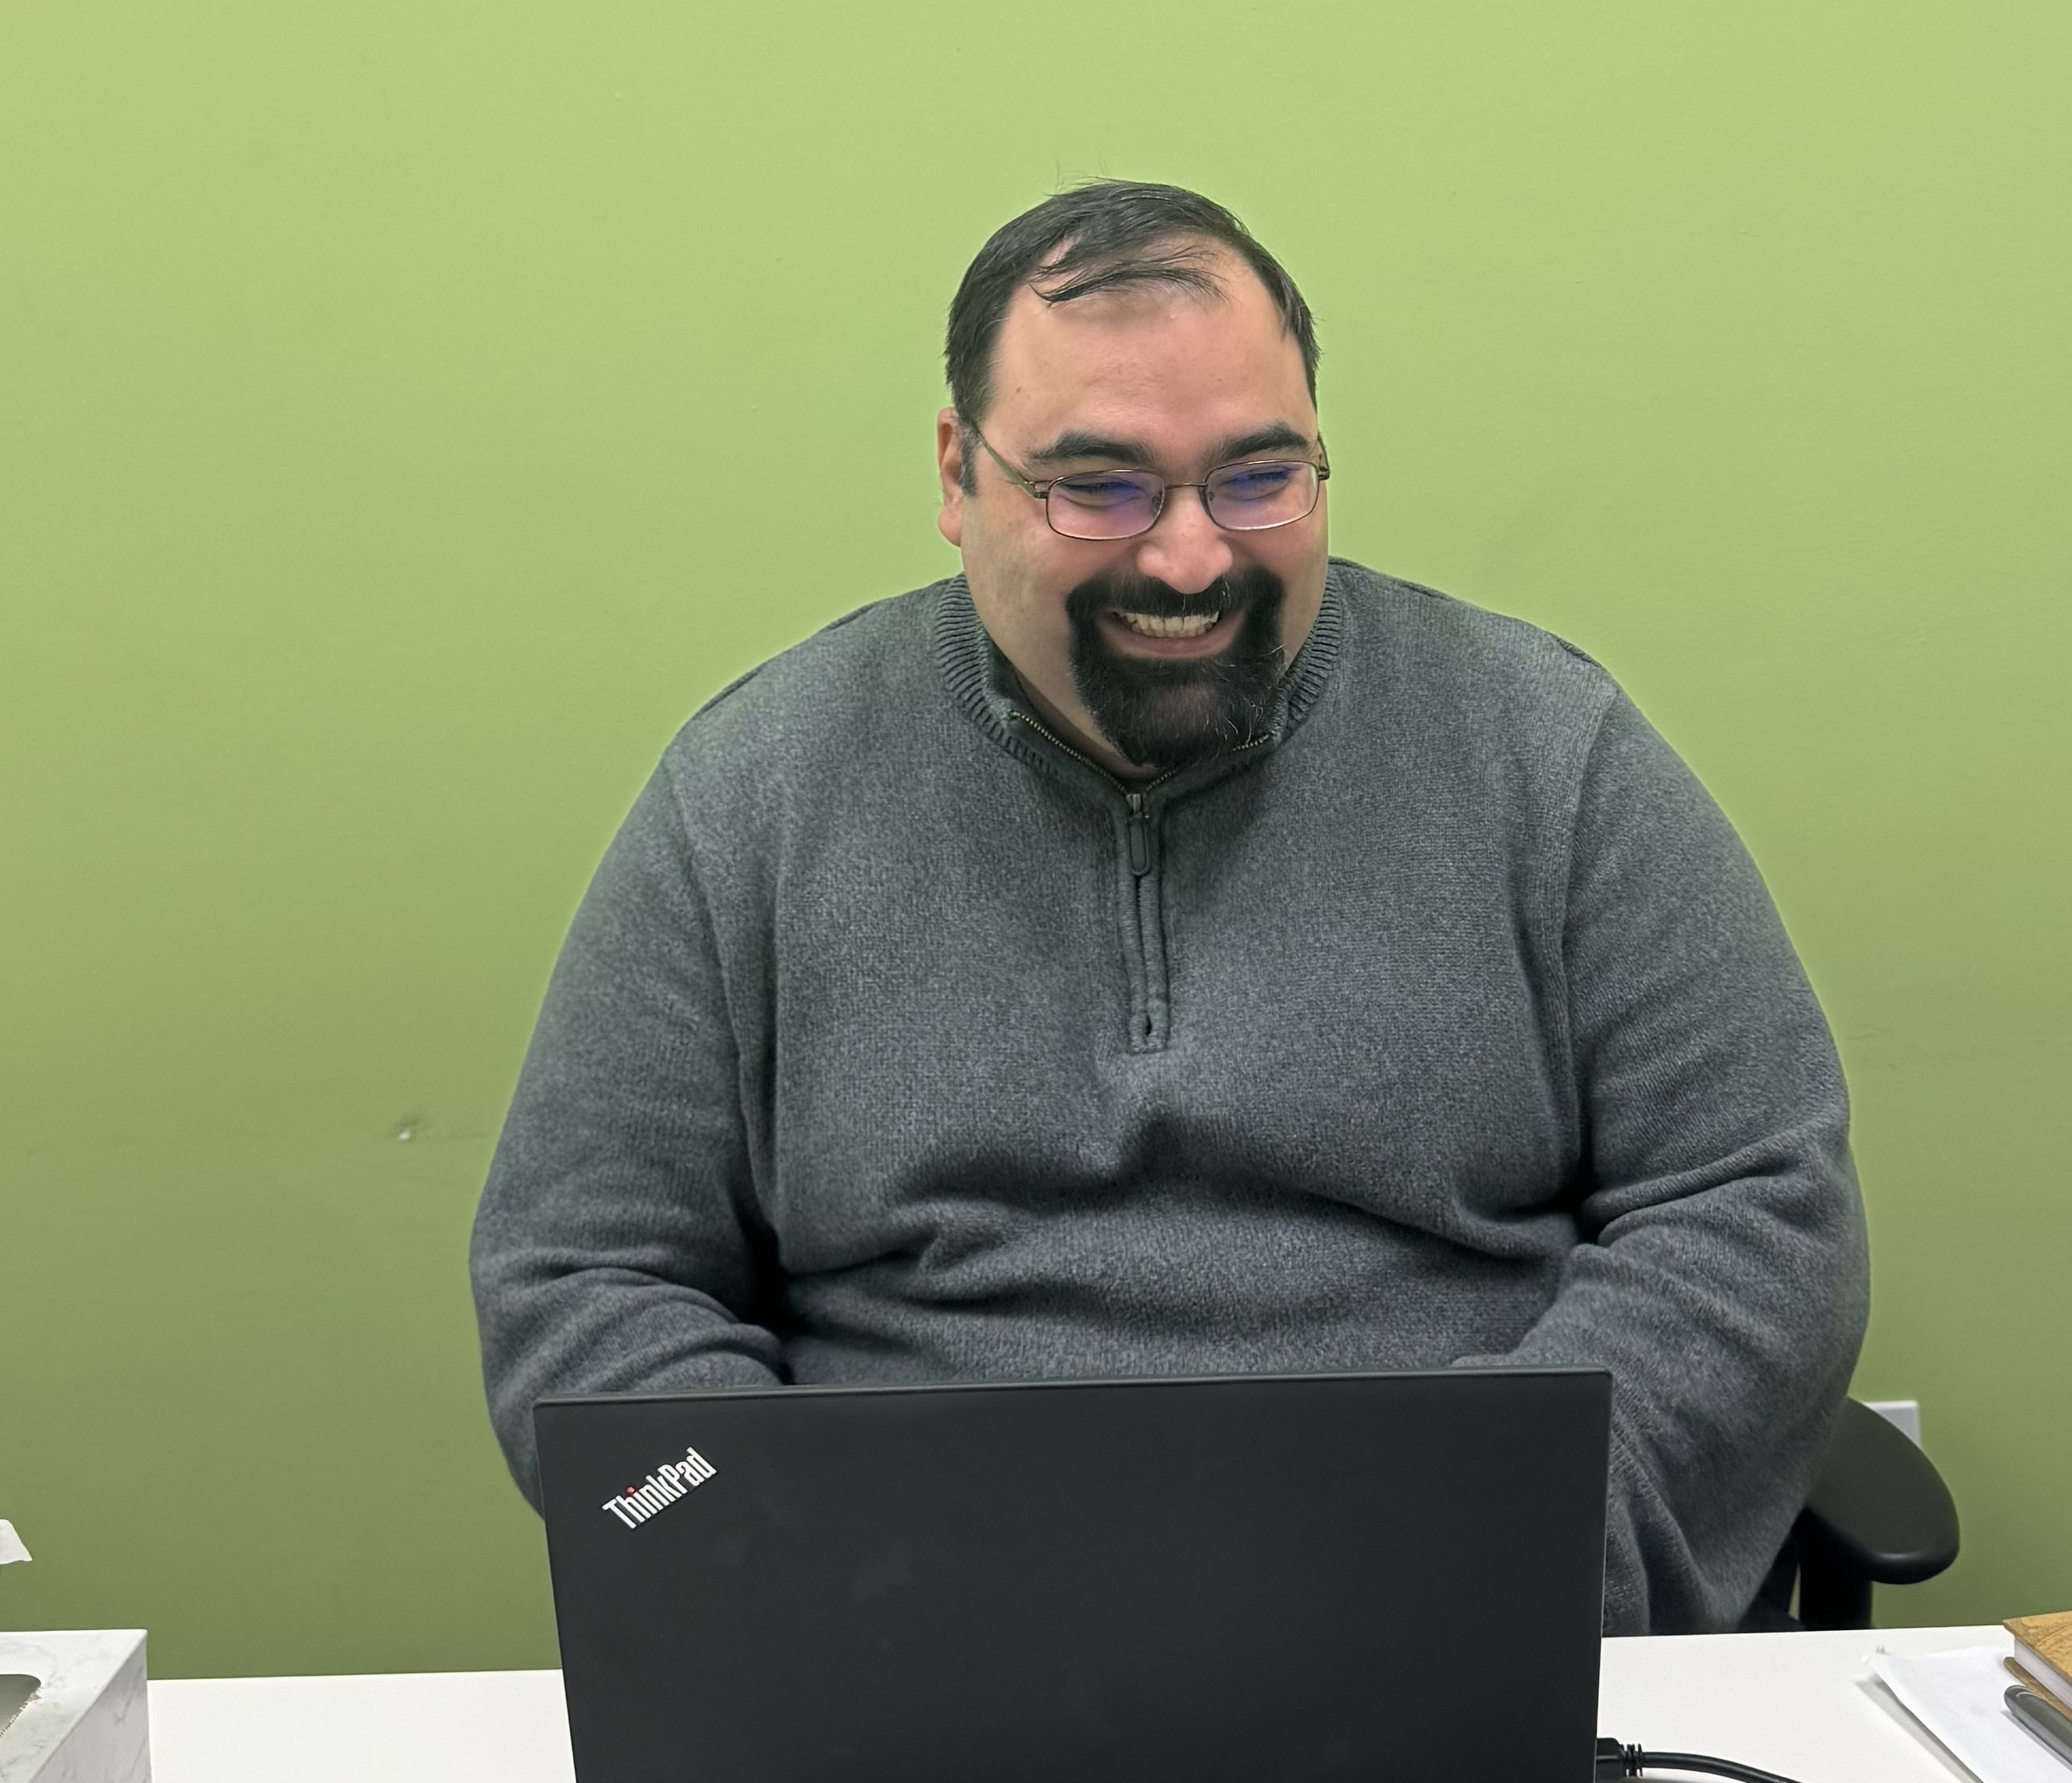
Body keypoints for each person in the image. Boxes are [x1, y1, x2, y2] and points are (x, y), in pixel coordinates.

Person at [471, 181, 1868, 1633]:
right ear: (958, 475)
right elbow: (582, 1275)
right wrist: (775, 1561)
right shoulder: (751, 792)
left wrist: (1522, 1534)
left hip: (1453, 1605)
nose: (1191, 558)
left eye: (1259, 477)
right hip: (906, 1631)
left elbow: (1757, 1208)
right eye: (1101, 486)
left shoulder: (1544, 750)